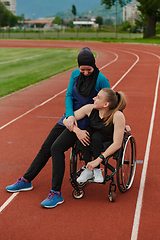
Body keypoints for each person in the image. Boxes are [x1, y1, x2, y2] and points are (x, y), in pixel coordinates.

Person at [6, 47, 110, 208]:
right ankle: (26, 180)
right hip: (69, 118)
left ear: (94, 65)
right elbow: (69, 95)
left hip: (85, 124)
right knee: (45, 148)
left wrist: (119, 120)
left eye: (89, 69)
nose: (86, 72)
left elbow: (110, 101)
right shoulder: (75, 75)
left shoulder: (101, 79)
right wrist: (69, 116)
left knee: (56, 148)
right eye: (82, 69)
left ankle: (56, 193)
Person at [63, 88, 126, 183]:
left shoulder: (117, 115)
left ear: (106, 104)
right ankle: (89, 169)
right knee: (85, 134)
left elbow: (117, 144)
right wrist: (78, 131)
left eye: (98, 97)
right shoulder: (90, 108)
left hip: (108, 141)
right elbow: (65, 120)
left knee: (96, 136)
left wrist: (98, 160)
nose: (93, 98)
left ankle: (96, 169)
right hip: (92, 140)